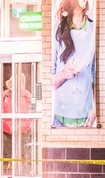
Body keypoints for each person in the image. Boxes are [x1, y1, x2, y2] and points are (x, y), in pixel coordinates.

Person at [52, 0, 96, 128]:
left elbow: (96, 75)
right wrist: (64, 74)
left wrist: (97, 108)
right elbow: (50, 78)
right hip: (61, 116)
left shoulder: (93, 29)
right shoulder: (58, 28)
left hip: (85, 116)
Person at [2, 73, 32, 175]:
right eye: (11, 81)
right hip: (7, 129)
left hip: (23, 128)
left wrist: (29, 123)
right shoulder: (4, 95)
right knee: (7, 152)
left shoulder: (27, 95)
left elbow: (32, 110)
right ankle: (6, 172)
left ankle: (25, 171)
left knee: (24, 152)